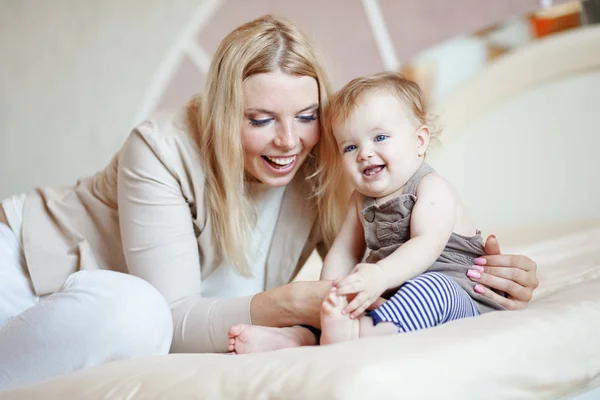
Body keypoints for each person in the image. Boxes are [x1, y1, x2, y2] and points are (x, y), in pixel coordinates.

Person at [0, 15, 538, 389]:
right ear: (221, 113)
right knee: (136, 315)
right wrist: (292, 304)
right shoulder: (159, 149)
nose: (289, 142)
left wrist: (488, 274)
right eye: (260, 121)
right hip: (22, 265)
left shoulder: (331, 157)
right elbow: (171, 319)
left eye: (306, 117)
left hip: (102, 314)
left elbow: (388, 258)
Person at [314, 72, 502, 344]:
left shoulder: (431, 186)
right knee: (344, 301)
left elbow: (426, 243)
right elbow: (344, 251)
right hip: (394, 293)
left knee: (433, 289)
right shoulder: (359, 199)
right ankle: (297, 337)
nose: (364, 153)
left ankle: (361, 333)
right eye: (350, 146)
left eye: (379, 138)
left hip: (460, 297)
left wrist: (380, 274)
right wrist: (329, 293)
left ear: (419, 141)